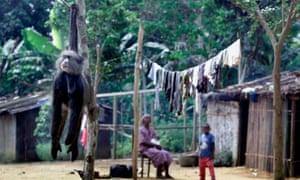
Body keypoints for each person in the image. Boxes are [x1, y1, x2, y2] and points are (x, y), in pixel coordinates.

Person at [138, 114, 173, 179]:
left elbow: (154, 139)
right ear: (143, 120)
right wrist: (155, 145)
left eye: (149, 118)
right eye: (146, 118)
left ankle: (167, 173)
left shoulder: (152, 129)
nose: (148, 119)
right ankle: (158, 174)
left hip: (152, 148)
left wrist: (157, 140)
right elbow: (142, 142)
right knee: (160, 153)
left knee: (166, 153)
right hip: (145, 149)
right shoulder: (140, 130)